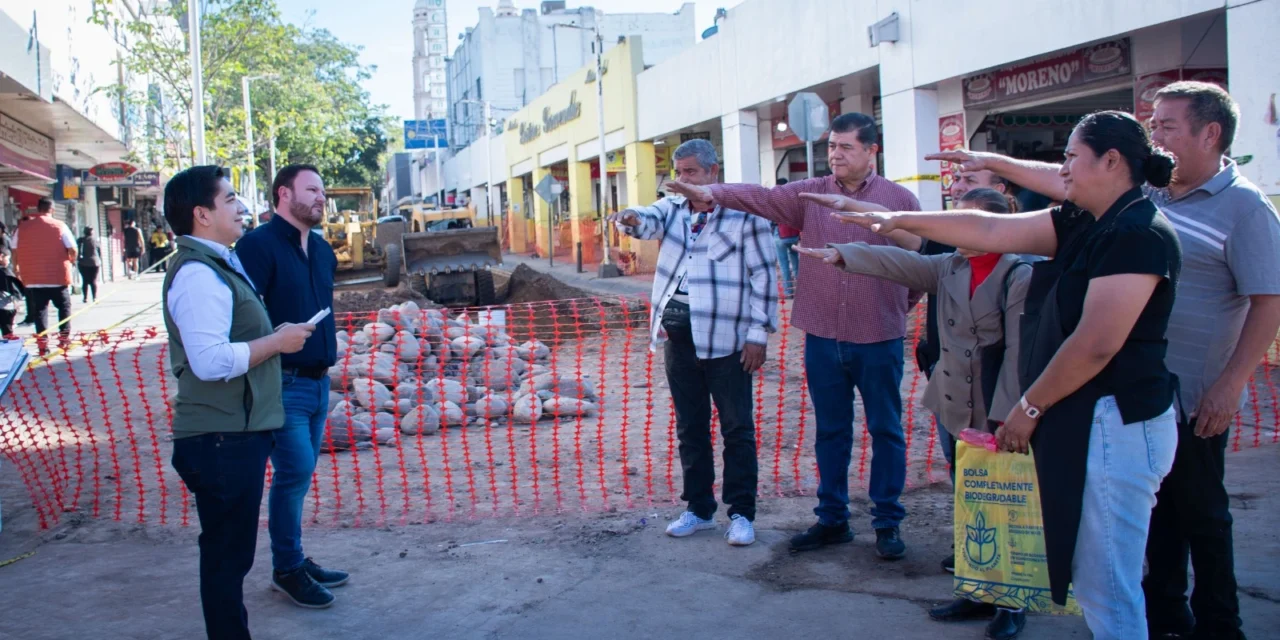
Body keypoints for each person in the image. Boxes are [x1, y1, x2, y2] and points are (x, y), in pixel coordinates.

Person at [930, 81, 1279, 640]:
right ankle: (1166, 618)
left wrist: (1232, 383)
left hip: (1192, 391)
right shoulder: (1142, 198)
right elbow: (1060, 182)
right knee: (1147, 528)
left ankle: (1220, 625)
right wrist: (991, 163)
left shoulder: (1241, 207)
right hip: (1133, 390)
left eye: (1166, 125)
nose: (1156, 135)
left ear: (1210, 133)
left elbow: (1268, 300)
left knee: (1200, 516)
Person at [827, 110, 1182, 639]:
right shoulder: (1090, 221)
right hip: (1090, 417)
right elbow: (988, 226)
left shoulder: (1137, 232)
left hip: (1118, 421)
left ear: (1111, 162)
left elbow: (1096, 344)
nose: (1061, 171)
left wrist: (1028, 407)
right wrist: (894, 220)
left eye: (1070, 159)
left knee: (1109, 584)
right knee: (1093, 579)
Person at [666, 112, 923, 560]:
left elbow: (919, 268)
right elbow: (760, 197)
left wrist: (895, 307)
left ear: (871, 151)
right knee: (831, 432)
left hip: (878, 337)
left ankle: (886, 522)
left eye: (845, 147)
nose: (835, 155)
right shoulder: (809, 196)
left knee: (885, 430)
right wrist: (710, 192)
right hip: (822, 335)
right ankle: (832, 519)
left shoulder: (899, 200)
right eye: (832, 147)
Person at [797, 187, 1032, 639]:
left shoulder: (1019, 274)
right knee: (970, 497)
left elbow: (1021, 356)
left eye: (969, 221)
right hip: (953, 404)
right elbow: (898, 263)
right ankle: (978, 589)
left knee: (1005, 502)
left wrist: (1007, 419)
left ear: (998, 227)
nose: (957, 230)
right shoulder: (953, 266)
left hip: (997, 409)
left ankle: (1012, 602)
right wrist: (843, 254)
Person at [162, 165, 314, 639]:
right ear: (202, 214)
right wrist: (277, 342)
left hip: (234, 433)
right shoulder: (197, 274)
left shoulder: (218, 262)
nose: (241, 206)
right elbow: (208, 361)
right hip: (221, 439)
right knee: (227, 561)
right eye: (229, 199)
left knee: (230, 556)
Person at [610, 139, 778, 547]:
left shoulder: (744, 217)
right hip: (678, 340)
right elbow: (644, 219)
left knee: (737, 429)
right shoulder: (671, 210)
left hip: (728, 342)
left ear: (712, 173)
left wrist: (758, 335)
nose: (682, 181)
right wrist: (627, 217)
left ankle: (741, 513)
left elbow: (765, 278)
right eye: (679, 173)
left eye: (691, 173)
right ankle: (699, 509)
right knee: (690, 428)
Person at [234, 164, 347, 608]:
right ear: (284, 194)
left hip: (320, 382)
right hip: (281, 380)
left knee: (298, 476)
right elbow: (242, 314)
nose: (321, 197)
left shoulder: (322, 250)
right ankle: (287, 568)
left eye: (323, 189)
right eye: (312, 189)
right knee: (294, 471)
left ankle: (295, 559)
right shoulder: (256, 246)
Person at [11, 198, 77, 348]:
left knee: (39, 311)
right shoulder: (60, 226)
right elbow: (72, 248)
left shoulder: (23, 228)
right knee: (64, 306)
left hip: (34, 278)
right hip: (57, 277)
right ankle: (64, 339)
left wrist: (17, 268)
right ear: (52, 210)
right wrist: (71, 261)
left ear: (38, 209)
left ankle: (43, 345)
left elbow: (14, 250)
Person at [770, 178, 801, 298]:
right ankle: (799, 290)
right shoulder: (794, 200)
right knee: (795, 262)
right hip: (793, 235)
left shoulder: (775, 201)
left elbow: (771, 219)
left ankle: (788, 291)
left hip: (780, 236)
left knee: (783, 264)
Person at [0, 251, 24, 339]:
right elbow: (14, 290)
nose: (9, 261)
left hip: (5, 306)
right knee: (7, 331)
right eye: (8, 258)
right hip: (5, 306)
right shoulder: (5, 272)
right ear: (1, 256)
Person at [77, 228, 102, 303]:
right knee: (93, 280)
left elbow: (76, 249)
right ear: (92, 233)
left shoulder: (80, 240)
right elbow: (99, 252)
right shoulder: (95, 241)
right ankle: (94, 297)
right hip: (95, 262)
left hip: (83, 262)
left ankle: (85, 298)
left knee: (85, 280)